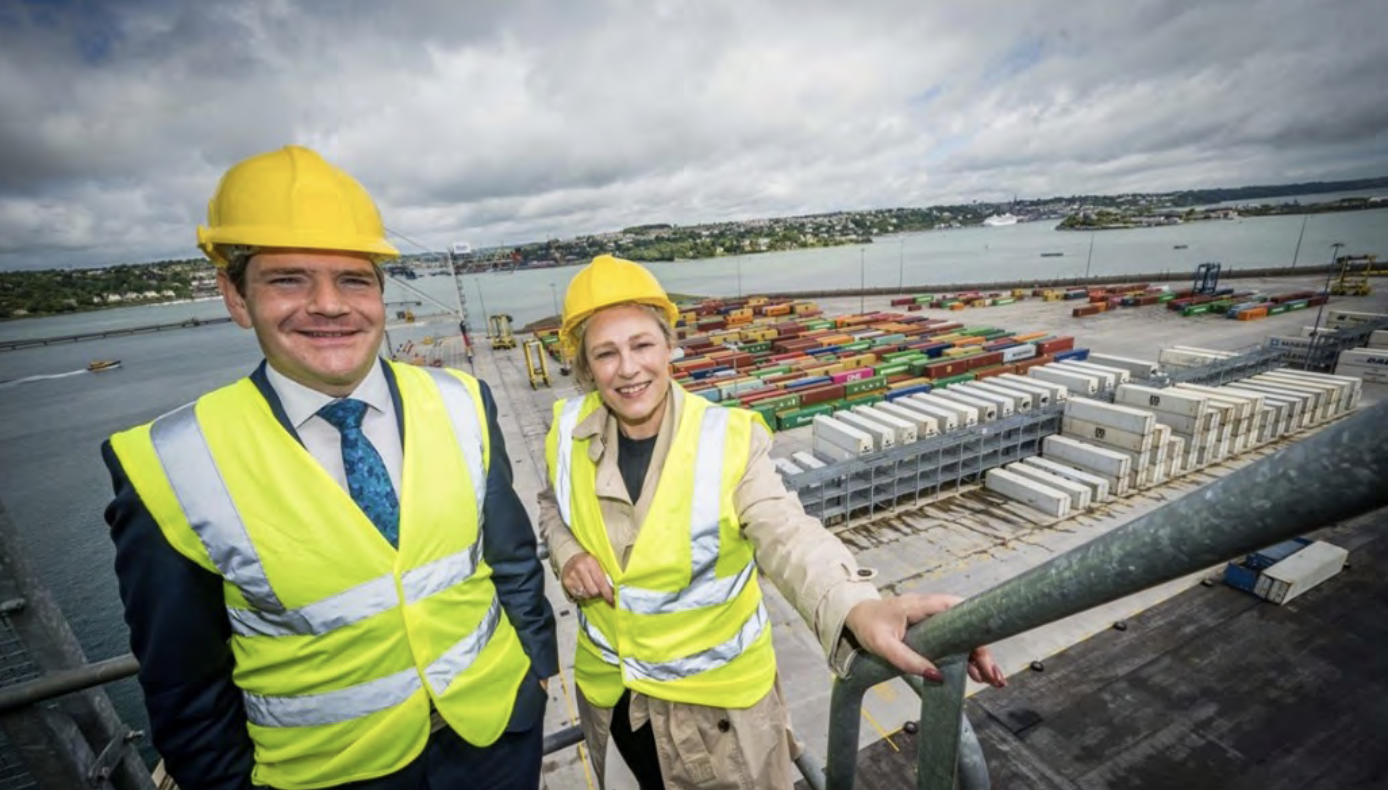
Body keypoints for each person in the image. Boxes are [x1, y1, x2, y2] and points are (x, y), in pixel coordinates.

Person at [103, 146, 556, 790]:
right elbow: (185, 686)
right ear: (234, 295)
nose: (329, 305)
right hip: (328, 776)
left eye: (353, 279)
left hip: (497, 744)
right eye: (288, 278)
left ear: (379, 292)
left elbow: (511, 561)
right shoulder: (168, 463)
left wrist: (536, 671)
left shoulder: (462, 401)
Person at [538, 255, 1006, 789]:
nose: (627, 368)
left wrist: (856, 604)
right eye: (606, 353)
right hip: (612, 703)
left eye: (642, 345)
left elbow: (789, 535)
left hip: (716, 718)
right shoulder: (567, 429)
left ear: (669, 346)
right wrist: (568, 552)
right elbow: (552, 504)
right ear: (585, 367)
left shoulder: (728, 440)